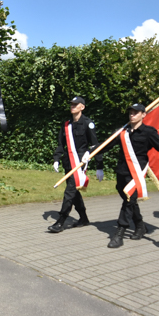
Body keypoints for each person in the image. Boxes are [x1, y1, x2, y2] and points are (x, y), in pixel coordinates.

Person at [105, 103, 159, 248]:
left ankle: (119, 233)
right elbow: (106, 146)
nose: (132, 115)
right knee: (130, 200)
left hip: (136, 173)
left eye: (136, 112)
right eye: (130, 112)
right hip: (122, 172)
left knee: (128, 201)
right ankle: (140, 226)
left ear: (143, 114)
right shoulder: (123, 132)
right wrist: (90, 153)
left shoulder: (149, 132)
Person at [48, 96, 102, 232]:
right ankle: (83, 218)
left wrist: (98, 165)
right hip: (68, 161)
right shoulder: (67, 125)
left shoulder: (88, 123)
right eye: (71, 104)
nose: (72, 106)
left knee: (70, 191)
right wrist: (56, 158)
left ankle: (60, 221)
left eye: (75, 104)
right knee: (75, 191)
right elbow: (61, 144)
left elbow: (96, 145)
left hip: (80, 161)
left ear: (82, 107)